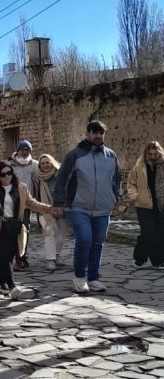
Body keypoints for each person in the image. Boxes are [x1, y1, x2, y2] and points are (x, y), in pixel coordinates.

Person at [52, 120, 121, 294]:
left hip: (103, 208)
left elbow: (117, 179)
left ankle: (93, 278)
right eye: (95, 132)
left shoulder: (111, 156)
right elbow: (61, 179)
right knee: (84, 239)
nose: (98, 136)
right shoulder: (74, 154)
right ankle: (79, 277)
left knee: (97, 243)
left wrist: (114, 197)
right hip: (77, 207)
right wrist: (59, 203)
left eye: (101, 133)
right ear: (88, 133)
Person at [0, 161, 50, 300]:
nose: (7, 176)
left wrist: (48, 209)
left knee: (9, 257)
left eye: (9, 173)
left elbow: (31, 203)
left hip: (15, 226)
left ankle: (1, 282)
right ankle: (12, 286)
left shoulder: (21, 187)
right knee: (3, 256)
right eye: (3, 174)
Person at [127, 141, 164, 268]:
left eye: (155, 154)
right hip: (144, 204)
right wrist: (135, 196)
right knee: (148, 232)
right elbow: (131, 183)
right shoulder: (139, 166)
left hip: (160, 205)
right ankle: (140, 258)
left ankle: (158, 260)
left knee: (160, 232)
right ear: (146, 153)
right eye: (150, 154)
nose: (153, 156)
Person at [34, 154, 69, 271]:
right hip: (45, 211)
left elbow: (67, 190)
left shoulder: (60, 175)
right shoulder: (37, 177)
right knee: (50, 232)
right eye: (42, 163)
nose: (45, 165)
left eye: (47, 162)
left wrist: (62, 207)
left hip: (62, 209)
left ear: (52, 163)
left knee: (61, 235)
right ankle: (50, 260)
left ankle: (57, 255)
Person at [8, 139, 39, 271]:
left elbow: (39, 182)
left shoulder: (34, 165)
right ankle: (16, 258)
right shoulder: (10, 164)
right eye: (22, 149)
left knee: (24, 231)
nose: (25, 152)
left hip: (26, 204)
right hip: (11, 203)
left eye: (27, 150)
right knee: (14, 231)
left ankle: (21, 257)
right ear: (18, 150)